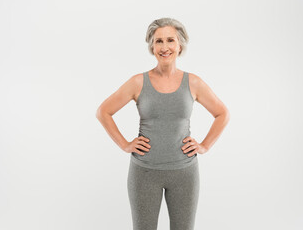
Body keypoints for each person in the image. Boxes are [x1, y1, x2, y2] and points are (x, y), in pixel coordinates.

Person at [96, 17, 230, 230]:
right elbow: (103, 111)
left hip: (184, 173)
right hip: (144, 173)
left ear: (180, 45)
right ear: (151, 46)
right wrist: (125, 144)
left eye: (170, 40)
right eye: (159, 41)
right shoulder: (138, 82)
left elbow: (222, 113)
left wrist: (204, 146)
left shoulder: (193, 82)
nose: (165, 47)